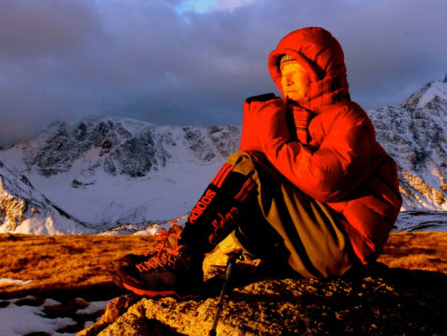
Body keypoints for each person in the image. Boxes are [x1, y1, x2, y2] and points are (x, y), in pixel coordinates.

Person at [113, 27, 402, 297]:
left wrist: (275, 137)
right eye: (283, 71)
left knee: (249, 166)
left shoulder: (349, 119)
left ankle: (185, 261)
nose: (286, 79)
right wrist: (261, 122)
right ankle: (182, 252)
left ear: (321, 72)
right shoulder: (296, 119)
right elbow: (251, 177)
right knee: (247, 170)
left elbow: (325, 183)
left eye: (296, 70)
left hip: (343, 247)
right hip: (306, 241)